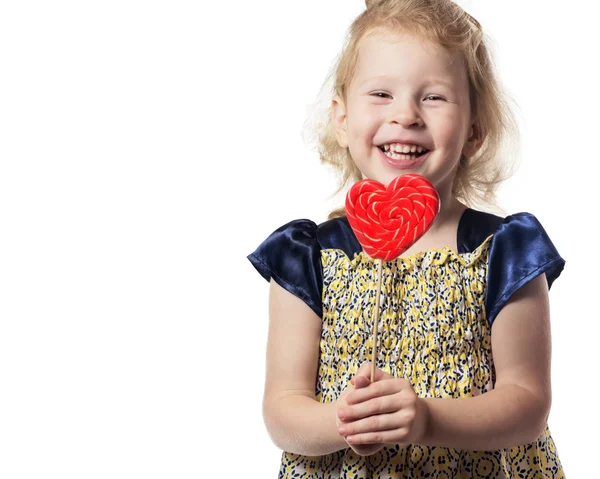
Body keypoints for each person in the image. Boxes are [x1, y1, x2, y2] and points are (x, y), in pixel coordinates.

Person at [247, 0, 566, 476]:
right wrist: (345, 421)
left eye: (433, 97)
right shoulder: (306, 257)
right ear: (341, 116)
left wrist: (428, 419)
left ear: (475, 130)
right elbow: (282, 410)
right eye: (380, 94)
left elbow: (526, 404)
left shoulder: (504, 251)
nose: (406, 115)